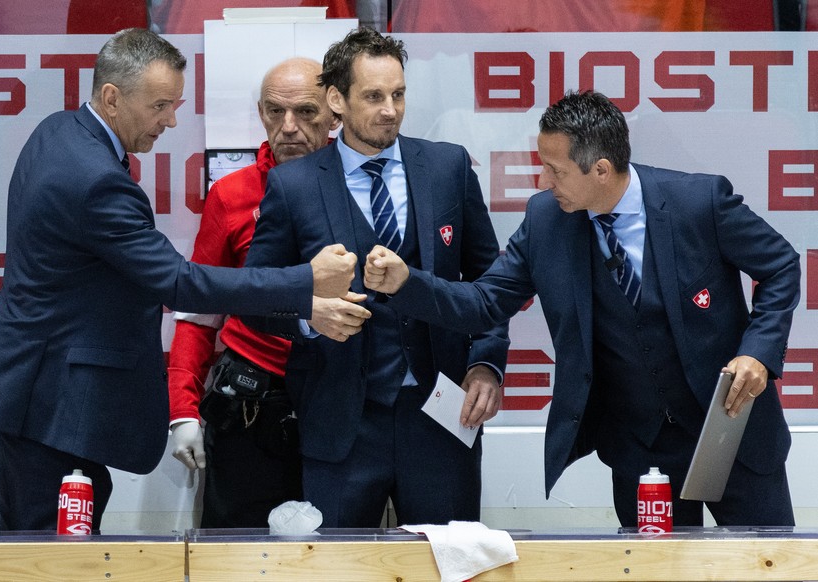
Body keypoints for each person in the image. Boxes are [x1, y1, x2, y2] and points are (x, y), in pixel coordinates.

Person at [0, 29, 356, 533]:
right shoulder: (94, 179)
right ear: (111, 98)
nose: (171, 120)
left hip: (35, 386)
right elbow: (179, 283)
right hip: (50, 403)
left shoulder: (59, 129)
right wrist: (306, 283)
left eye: (177, 104)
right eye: (161, 106)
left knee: (51, 535)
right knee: (45, 551)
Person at [365, 90, 801, 528]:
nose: (543, 182)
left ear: (601, 170)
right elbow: (484, 302)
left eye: (556, 171)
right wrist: (408, 282)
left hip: (731, 431)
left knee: (770, 566)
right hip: (641, 450)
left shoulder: (699, 202)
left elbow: (781, 265)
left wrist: (758, 353)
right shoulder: (546, 222)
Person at [243, 27, 510, 528]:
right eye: (373, 96)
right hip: (340, 422)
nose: (390, 109)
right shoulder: (293, 185)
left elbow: (491, 284)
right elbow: (256, 298)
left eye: (398, 94)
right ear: (336, 99)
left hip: (442, 415)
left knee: (449, 561)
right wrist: (310, 319)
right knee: (337, 568)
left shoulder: (447, 167)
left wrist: (487, 364)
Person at [168, 57, 346, 527]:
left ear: (334, 113)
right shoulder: (231, 194)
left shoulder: (362, 186)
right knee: (237, 555)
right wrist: (183, 409)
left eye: (306, 112)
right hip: (252, 405)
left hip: (342, 398)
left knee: (339, 553)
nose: (288, 127)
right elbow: (197, 313)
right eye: (274, 112)